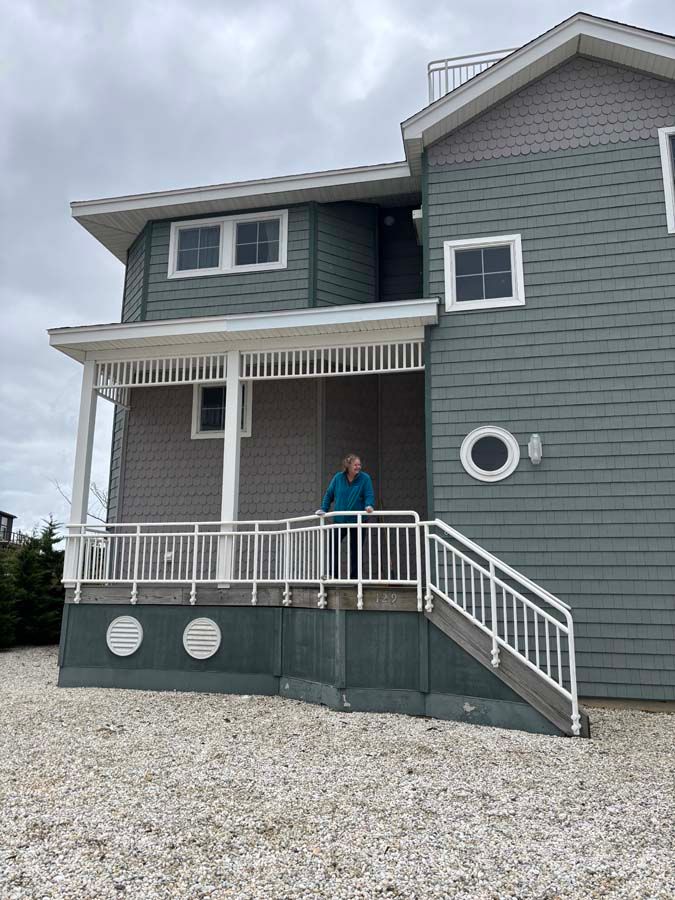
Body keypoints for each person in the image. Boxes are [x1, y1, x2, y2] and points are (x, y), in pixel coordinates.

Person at [316, 454, 375, 579]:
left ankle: (355, 578)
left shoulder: (365, 478)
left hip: (358, 520)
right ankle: (333, 574)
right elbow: (329, 494)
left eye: (359, 465)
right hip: (340, 520)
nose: (358, 467)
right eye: (355, 465)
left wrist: (369, 505)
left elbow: (369, 494)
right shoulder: (338, 478)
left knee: (356, 549)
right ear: (348, 466)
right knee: (333, 545)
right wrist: (323, 509)